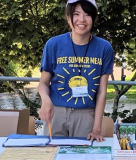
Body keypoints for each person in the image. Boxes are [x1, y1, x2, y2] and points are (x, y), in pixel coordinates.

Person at [38, 0, 114, 142]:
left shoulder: (104, 48)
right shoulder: (53, 44)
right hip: (56, 113)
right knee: (51, 154)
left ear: (94, 18)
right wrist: (46, 100)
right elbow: (43, 83)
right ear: (68, 18)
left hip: (86, 115)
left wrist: (97, 128)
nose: (82, 20)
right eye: (76, 14)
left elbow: (102, 91)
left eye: (87, 14)